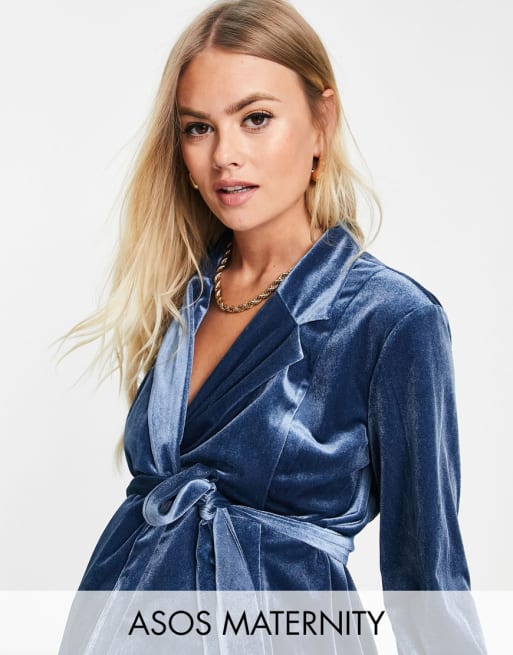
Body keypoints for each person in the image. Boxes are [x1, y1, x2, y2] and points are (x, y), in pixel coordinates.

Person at [58, 0, 486, 652]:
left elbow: (429, 579)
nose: (224, 155)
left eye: (255, 118)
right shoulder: (178, 297)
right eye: (198, 128)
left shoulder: (392, 319)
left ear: (321, 123)